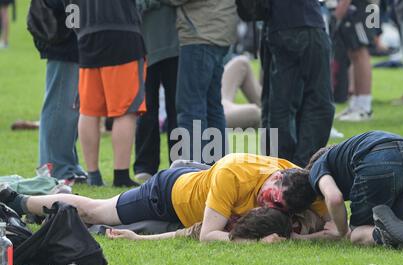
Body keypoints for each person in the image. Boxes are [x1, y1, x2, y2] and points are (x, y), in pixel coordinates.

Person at [0, 153, 324, 242]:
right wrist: (259, 240)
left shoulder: (301, 183)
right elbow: (207, 234)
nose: (259, 199)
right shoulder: (235, 174)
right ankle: (19, 202)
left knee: (144, 229)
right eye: (262, 191)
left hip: (200, 189)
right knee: (96, 213)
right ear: (275, 175)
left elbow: (339, 230)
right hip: (167, 194)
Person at [61, 0, 147, 187]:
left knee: (89, 110)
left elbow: (67, 6)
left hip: (87, 37)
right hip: (124, 34)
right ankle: (121, 175)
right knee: (126, 110)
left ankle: (93, 175)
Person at [306, 131, 403, 248]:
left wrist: (341, 231)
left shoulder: (317, 167)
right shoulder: (344, 154)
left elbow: (334, 198)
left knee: (357, 233)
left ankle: (385, 235)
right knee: (396, 225)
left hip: (378, 160)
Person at [160, 0, 239, 164]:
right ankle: (218, 168)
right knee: (212, 106)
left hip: (200, 32)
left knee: (190, 107)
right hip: (219, 29)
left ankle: (194, 170)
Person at [265, 0, 335, 167]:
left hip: (278, 25)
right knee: (319, 102)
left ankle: (281, 166)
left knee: (280, 104)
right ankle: (304, 165)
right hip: (306, 21)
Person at [34, 1, 87, 182]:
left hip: (69, 41)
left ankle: (67, 163)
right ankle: (55, 167)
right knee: (60, 104)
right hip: (64, 42)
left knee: (70, 106)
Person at [133, 0, 179, 183]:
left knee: (176, 107)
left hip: (175, 43)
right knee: (146, 106)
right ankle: (145, 165)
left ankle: (178, 162)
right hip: (143, 44)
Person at [106, 207, 293, 243]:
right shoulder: (225, 221)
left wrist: (136, 238)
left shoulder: (231, 227)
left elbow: (181, 234)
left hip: (176, 214)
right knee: (98, 212)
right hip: (167, 190)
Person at [334, 0, 376, 122]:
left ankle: (364, 107)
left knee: (360, 52)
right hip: (357, 7)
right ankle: (356, 105)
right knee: (353, 53)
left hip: (361, 7)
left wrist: (341, 8)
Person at [222, 55, 262, 130]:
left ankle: (275, 111)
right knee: (254, 113)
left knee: (242, 63)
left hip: (215, 96)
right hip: (207, 110)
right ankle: (277, 119)